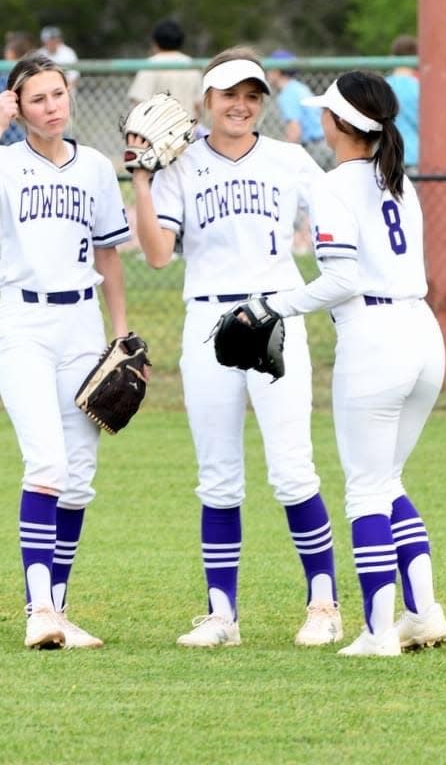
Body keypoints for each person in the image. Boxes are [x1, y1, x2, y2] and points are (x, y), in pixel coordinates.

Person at [127, 46, 342, 648]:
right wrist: (142, 179)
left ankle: (323, 605)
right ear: (205, 101)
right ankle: (222, 615)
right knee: (218, 477)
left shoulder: (290, 159)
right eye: (229, 95)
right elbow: (157, 254)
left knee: (292, 468)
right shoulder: (179, 165)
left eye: (252, 95)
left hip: (274, 313)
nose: (242, 106)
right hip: (207, 319)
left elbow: (338, 221)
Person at [254, 70, 446, 656]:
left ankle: (377, 632)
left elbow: (341, 280)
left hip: (375, 339)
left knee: (366, 489)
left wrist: (270, 306)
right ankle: (423, 612)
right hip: (422, 333)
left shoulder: (335, 185)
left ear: (336, 123)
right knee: (386, 480)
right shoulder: (398, 178)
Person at [0, 54, 133, 650]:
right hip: (25, 322)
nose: (52, 106)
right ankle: (39, 611)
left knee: (78, 478)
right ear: (18, 107)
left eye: (58, 95)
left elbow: (108, 253)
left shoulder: (97, 167)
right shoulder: (3, 159)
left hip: (82, 323)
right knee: (47, 464)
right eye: (38, 99)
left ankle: (58, 609)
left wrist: (121, 336)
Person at [127, 19, 204, 134]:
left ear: (155, 42)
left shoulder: (150, 66)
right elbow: (198, 105)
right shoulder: (191, 66)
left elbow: (139, 103)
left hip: (155, 134)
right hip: (186, 133)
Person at [266, 49, 334, 171]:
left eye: (270, 69)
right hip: (326, 143)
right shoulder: (298, 87)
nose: (268, 73)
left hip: (315, 148)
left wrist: (280, 156)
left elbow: (294, 130)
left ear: (278, 71)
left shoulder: (287, 94)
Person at [0, 32, 36, 146]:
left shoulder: (3, 78)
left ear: (10, 54)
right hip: (29, 130)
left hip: (8, 132)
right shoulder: (32, 74)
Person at [385, 35, 419, 172]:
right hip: (417, 154)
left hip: (388, 156)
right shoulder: (421, 88)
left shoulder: (382, 87)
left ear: (392, 57)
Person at [38, 26, 80, 92]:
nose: (52, 42)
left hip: (65, 90)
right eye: (49, 39)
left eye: (54, 39)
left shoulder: (68, 52)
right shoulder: (40, 53)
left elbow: (73, 78)